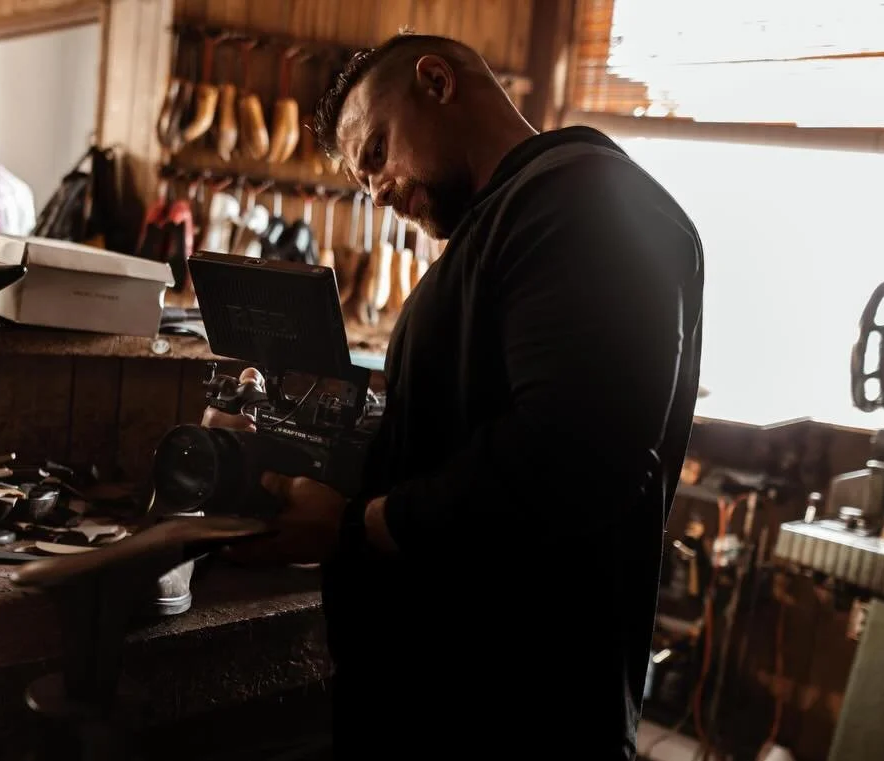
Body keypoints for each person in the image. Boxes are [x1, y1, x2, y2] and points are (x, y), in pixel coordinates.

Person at [203, 31, 704, 760]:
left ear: (436, 82)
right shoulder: (506, 225)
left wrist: (354, 525)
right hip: (441, 700)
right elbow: (473, 430)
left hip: (515, 713)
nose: (374, 189)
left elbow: (571, 452)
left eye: (375, 152)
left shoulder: (584, 200)